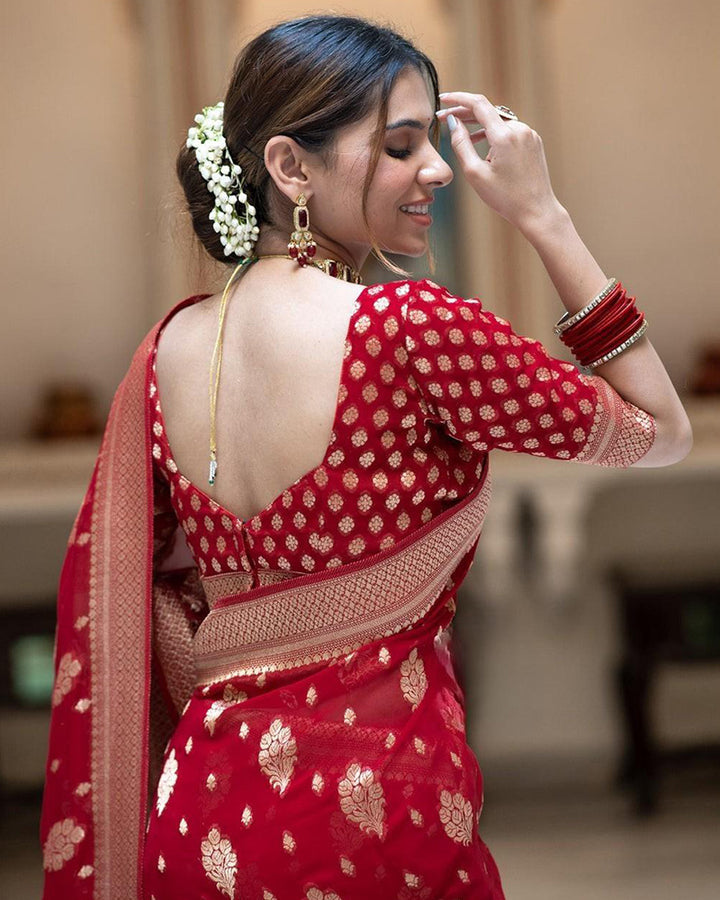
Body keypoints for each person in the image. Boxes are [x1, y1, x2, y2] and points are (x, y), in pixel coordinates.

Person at [39, 13, 692, 900]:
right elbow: (661, 431)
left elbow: (163, 595)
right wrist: (544, 214)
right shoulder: (413, 328)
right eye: (399, 146)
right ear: (289, 166)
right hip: (376, 813)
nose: (437, 170)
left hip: (200, 814)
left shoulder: (167, 351)